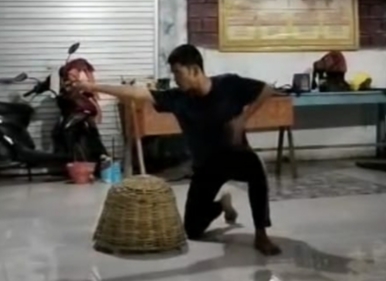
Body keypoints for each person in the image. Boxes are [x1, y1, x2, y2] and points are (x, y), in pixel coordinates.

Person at [71, 44, 281, 256]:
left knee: (255, 168)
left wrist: (243, 119)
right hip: (205, 167)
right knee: (192, 230)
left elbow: (266, 89)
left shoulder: (229, 85)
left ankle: (261, 233)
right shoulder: (179, 99)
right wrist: (91, 86)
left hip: (234, 156)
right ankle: (222, 204)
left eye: (178, 73)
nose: (176, 79)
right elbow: (136, 92)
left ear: (194, 70)